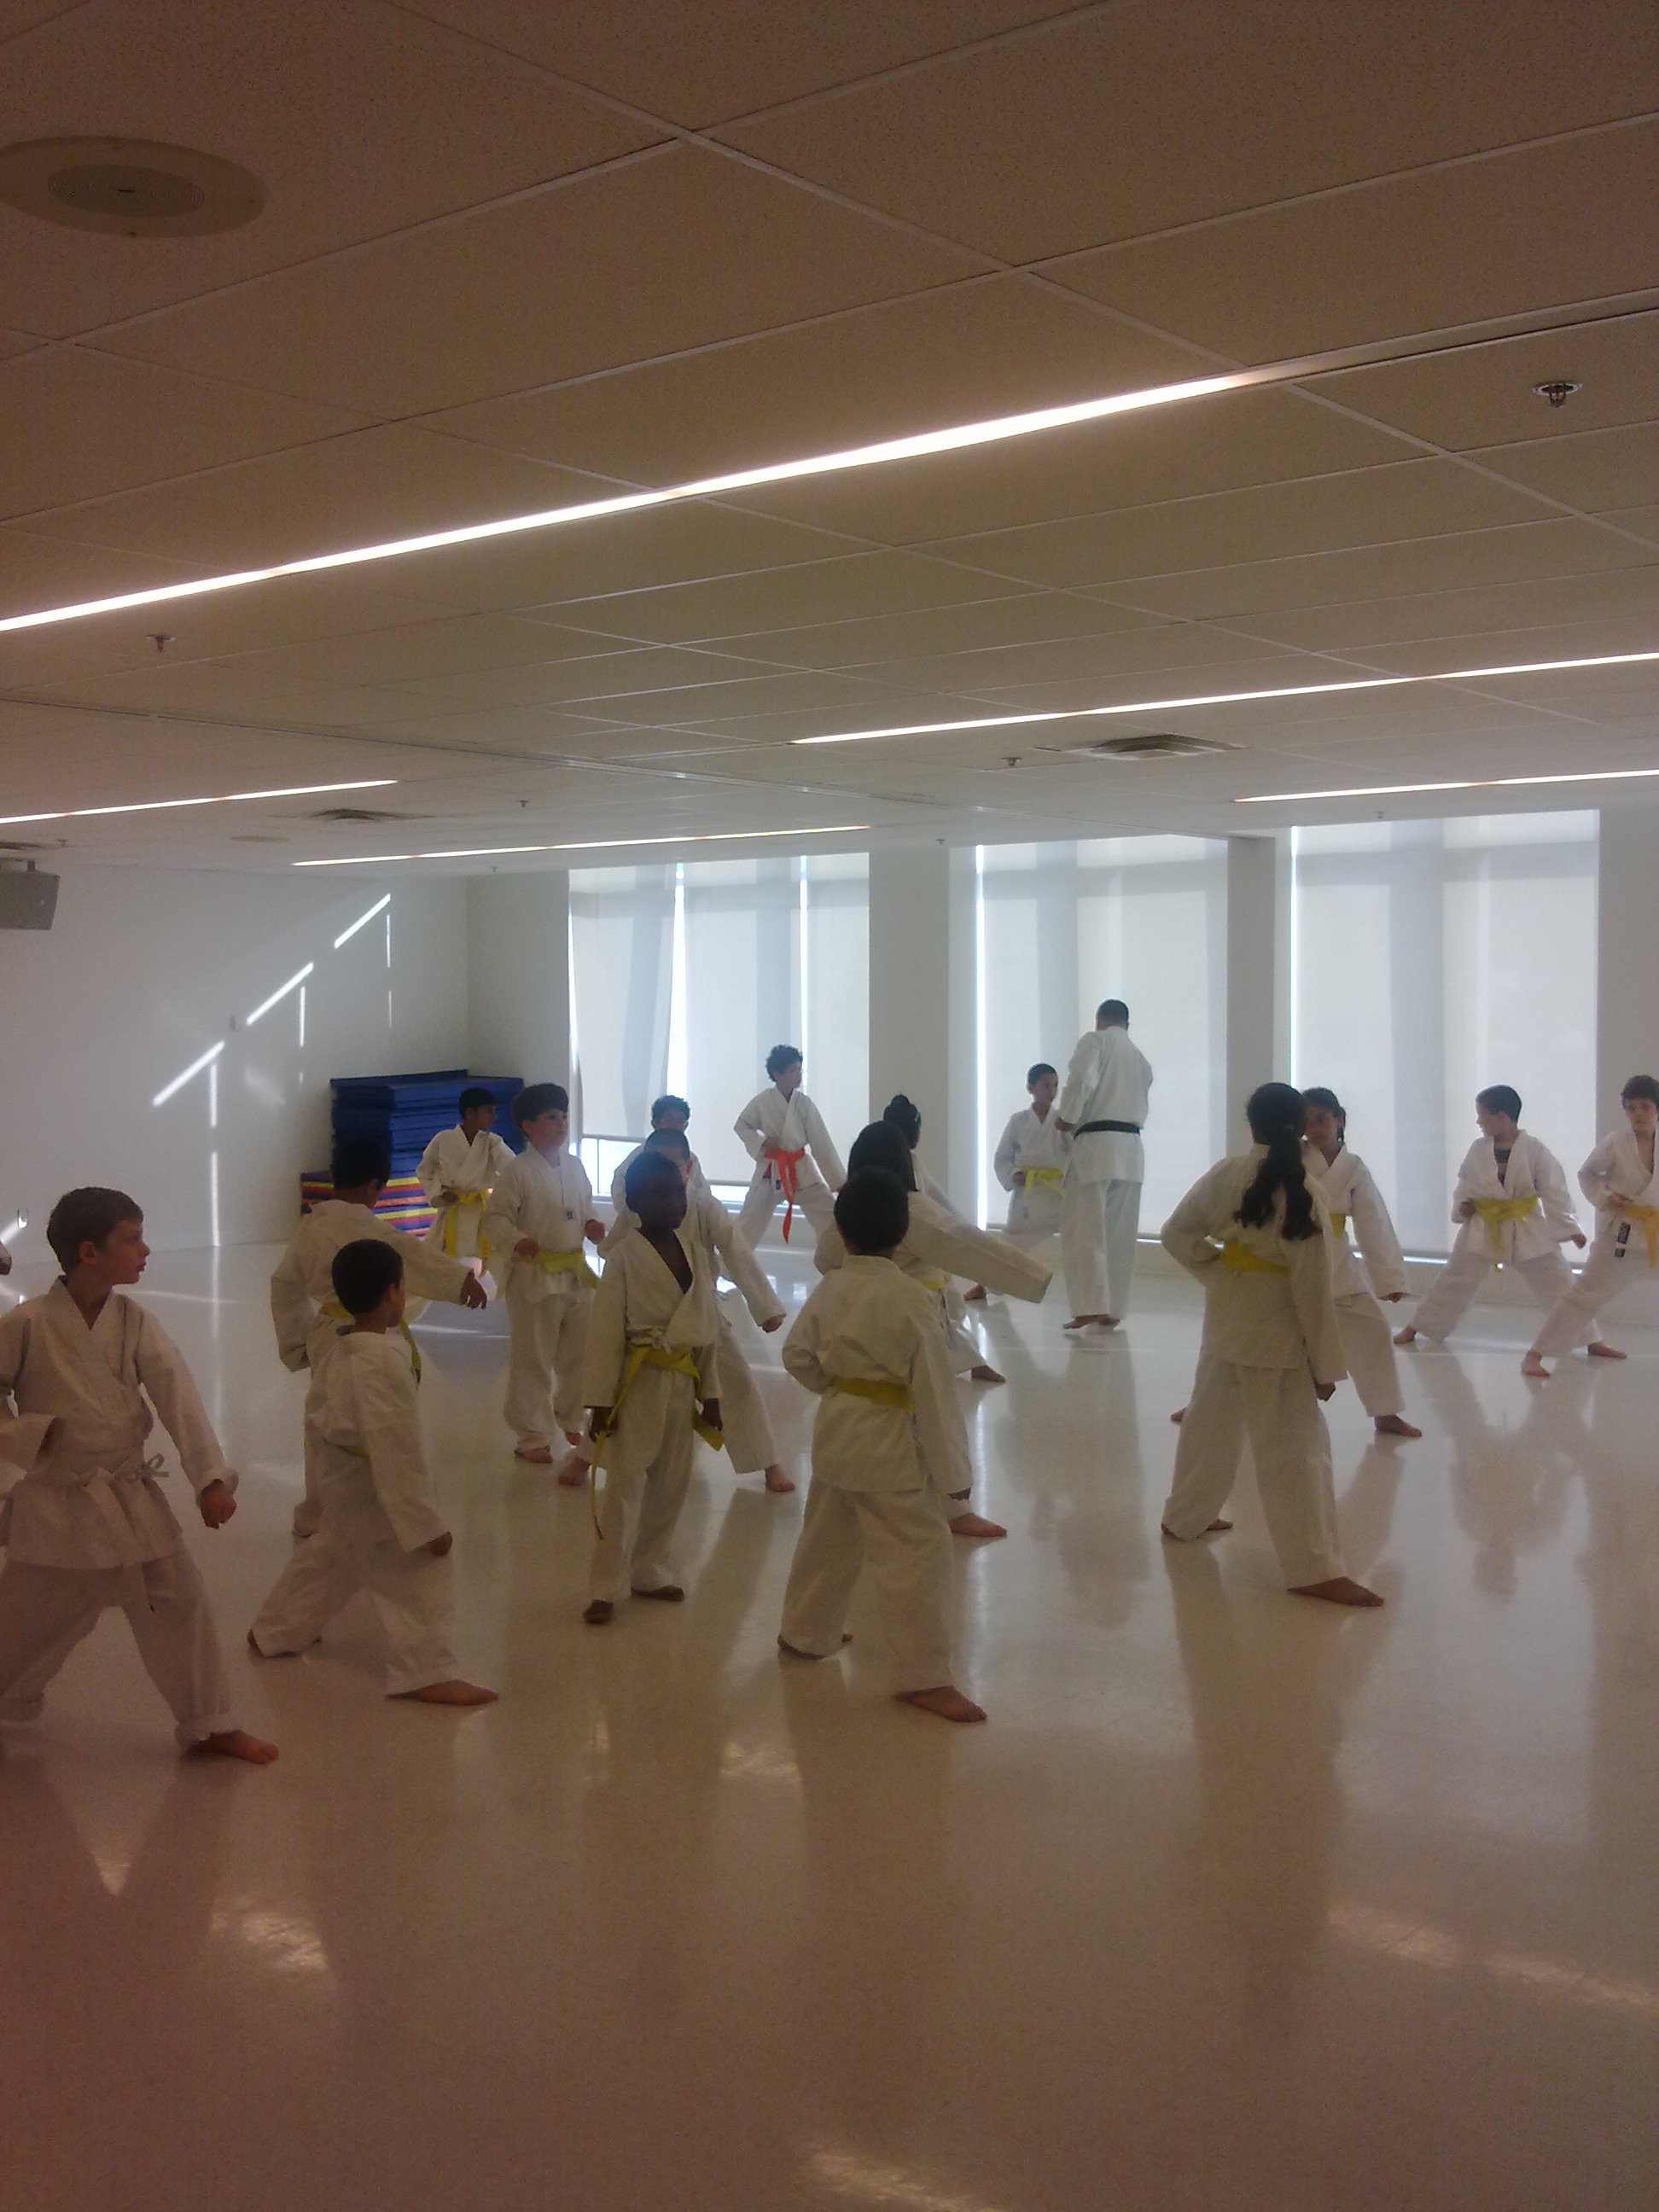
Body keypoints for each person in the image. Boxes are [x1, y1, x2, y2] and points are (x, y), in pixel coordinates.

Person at [0, 1187, 278, 1761]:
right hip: (58, 1503)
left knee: (181, 1603)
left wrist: (209, 1477)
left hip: (129, 1496)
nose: (146, 1250)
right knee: (24, 1622)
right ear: (89, 1252)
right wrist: (23, 1437)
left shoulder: (135, 1323)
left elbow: (178, 1394)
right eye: (132, 1239)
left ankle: (212, 1721)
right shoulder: (26, 1323)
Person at [1160, 1085, 1382, 1607]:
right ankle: (1313, 1567)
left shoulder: (1227, 1173)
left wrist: (1219, 1270)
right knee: (1295, 1450)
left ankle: (1184, 1517)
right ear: (1301, 1128)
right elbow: (1313, 1287)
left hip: (1228, 1314)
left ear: (1251, 1125)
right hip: (1276, 1331)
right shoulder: (1302, 1189)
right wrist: (1324, 1365)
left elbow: (1176, 1234)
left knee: (1209, 1423)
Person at [778, 1167, 986, 1724]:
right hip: (889, 1447)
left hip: (836, 1432)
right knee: (917, 1556)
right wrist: (955, 1478)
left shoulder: (830, 1287)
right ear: (903, 1233)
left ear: (841, 1232)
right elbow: (935, 1395)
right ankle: (926, 1677)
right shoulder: (913, 1299)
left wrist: (838, 1387)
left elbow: (796, 1355)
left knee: (825, 1539)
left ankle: (804, 1632)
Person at [249, 1240, 497, 1705]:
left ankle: (275, 1629)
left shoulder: (344, 1346)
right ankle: (426, 1670)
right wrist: (424, 1524)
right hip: (373, 1486)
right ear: (392, 1293)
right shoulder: (378, 1362)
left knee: (335, 1553)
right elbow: (395, 1451)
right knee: (418, 1572)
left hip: (344, 1478)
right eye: (403, 1285)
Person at [817, 1121, 1053, 1539]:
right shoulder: (910, 1208)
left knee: (872, 1411)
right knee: (933, 1411)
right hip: (913, 1323)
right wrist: (1034, 1276)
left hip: (861, 1324)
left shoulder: (850, 1210)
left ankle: (862, 1496)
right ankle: (954, 1505)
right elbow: (969, 1245)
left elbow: (824, 1259)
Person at [271, 1135, 486, 1538]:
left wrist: (296, 1342)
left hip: (326, 1334)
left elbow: (284, 1285)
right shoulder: (367, 1228)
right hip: (369, 1330)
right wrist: (460, 1281)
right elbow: (413, 1256)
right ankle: (394, 1506)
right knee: (385, 1419)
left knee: (323, 1419)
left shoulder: (310, 1226)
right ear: (374, 1186)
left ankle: (317, 1511)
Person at [608, 1127, 794, 1493]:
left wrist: (764, 1306)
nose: (663, 1175)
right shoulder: (636, 1208)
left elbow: (736, 1251)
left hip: (702, 1310)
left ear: (690, 1168)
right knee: (626, 1389)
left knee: (738, 1383)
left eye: (672, 1167)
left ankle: (769, 1462)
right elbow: (614, 1248)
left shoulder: (705, 1207)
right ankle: (586, 1456)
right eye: (655, 1165)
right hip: (648, 1322)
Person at [582, 1150, 723, 1625]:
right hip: (637, 1382)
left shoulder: (696, 1254)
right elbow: (604, 1334)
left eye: (679, 1193)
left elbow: (705, 1327)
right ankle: (604, 1585)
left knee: (673, 1484)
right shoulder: (622, 1257)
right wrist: (600, 1402)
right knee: (623, 1485)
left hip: (682, 1379)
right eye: (662, 1195)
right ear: (635, 1203)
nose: (675, 1203)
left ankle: (649, 1569)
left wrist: (713, 1393)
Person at [1394, 1086, 1604, 1353]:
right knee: (1455, 1279)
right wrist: (1463, 1206)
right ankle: (1418, 1326)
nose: (1479, 1121)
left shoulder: (1535, 1150)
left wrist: (1569, 1227)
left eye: (1483, 1115)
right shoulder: (1478, 1150)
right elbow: (1465, 1183)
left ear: (1502, 1116)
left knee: (1558, 1281)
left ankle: (1592, 1339)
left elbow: (1554, 1190)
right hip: (1482, 1224)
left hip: (1526, 1225)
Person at [481, 1083, 604, 1478]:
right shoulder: (517, 1171)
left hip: (576, 1275)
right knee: (534, 1358)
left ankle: (571, 1416)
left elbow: (584, 1205)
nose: (561, 1124)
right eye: (552, 1117)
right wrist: (518, 1240)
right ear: (528, 1125)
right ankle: (532, 1435)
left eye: (564, 1116)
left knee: (580, 1354)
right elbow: (495, 1219)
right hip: (535, 1277)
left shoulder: (575, 1166)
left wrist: (592, 1224)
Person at [1301, 1088, 1422, 1440]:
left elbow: (1374, 1223)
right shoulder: (1290, 1159)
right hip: (1292, 1260)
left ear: (1339, 1119)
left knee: (1373, 1332)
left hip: (1337, 1263)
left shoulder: (1353, 1167)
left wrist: (1389, 1279)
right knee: (1258, 1340)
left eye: (1322, 1119)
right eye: (1307, 1122)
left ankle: (1386, 1412)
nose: (1315, 1129)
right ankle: (1210, 1405)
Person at [1523, 1074, 1659, 1378]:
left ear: (1657, 1109)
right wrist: (1608, 1197)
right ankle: (1535, 1355)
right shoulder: (1616, 1143)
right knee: (1585, 1295)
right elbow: (1587, 1175)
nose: (1638, 1114)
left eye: (1645, 1107)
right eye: (1631, 1108)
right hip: (1623, 1233)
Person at [880, 1091, 1004, 1382]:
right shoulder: (900, 1163)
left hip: (903, 1250)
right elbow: (938, 1206)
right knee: (945, 1307)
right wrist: (963, 1229)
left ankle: (973, 1362)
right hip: (904, 1255)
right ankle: (962, 1363)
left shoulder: (905, 1161)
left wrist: (962, 1228)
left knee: (950, 1306)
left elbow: (937, 1202)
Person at [1056, 999, 1153, 1331]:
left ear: (1099, 1020)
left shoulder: (1094, 1041)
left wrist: (1067, 1117)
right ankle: (1113, 1308)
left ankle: (1088, 1306)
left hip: (1097, 1146)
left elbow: (1081, 1080)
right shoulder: (1140, 1059)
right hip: (1131, 1149)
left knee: (1085, 1230)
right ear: (1127, 1024)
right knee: (1120, 1236)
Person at [969, 1063, 1068, 1295]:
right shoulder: (1018, 1121)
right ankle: (986, 1285)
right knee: (1009, 1244)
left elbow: (1076, 1152)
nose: (1052, 1091)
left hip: (1058, 1193)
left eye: (1055, 1085)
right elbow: (1002, 1157)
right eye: (1046, 1085)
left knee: (1082, 1239)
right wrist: (1014, 1175)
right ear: (1031, 1088)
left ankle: (1092, 1293)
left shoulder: (1062, 1121)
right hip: (1029, 1194)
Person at [735, 1046, 845, 1247]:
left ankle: (837, 1257)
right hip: (771, 1170)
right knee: (748, 1223)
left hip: (801, 1169)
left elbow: (821, 1143)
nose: (798, 1075)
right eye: (793, 1071)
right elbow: (742, 1126)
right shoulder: (762, 1102)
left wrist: (838, 1182)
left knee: (831, 1218)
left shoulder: (804, 1104)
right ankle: (730, 1260)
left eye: (800, 1070)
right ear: (777, 1074)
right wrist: (762, 1143)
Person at [418, 1085, 514, 1266]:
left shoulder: (493, 1142)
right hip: (451, 1208)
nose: (494, 1117)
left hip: (480, 1210)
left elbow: (512, 1169)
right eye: (489, 1111)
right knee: (442, 1261)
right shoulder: (443, 1139)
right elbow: (424, 1171)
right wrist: (439, 1193)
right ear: (470, 1113)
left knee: (490, 1260)